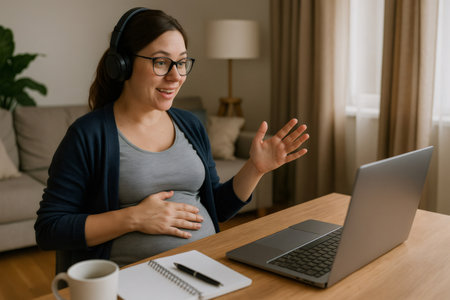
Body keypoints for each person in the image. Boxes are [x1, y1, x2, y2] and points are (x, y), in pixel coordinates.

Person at [34, 7, 309, 273]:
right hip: (133, 279)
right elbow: (49, 229)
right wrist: (134, 218)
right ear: (123, 65)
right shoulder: (89, 134)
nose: (176, 76)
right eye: (161, 62)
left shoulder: (189, 124)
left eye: (181, 62)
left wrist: (255, 167)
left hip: (208, 268)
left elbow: (219, 207)